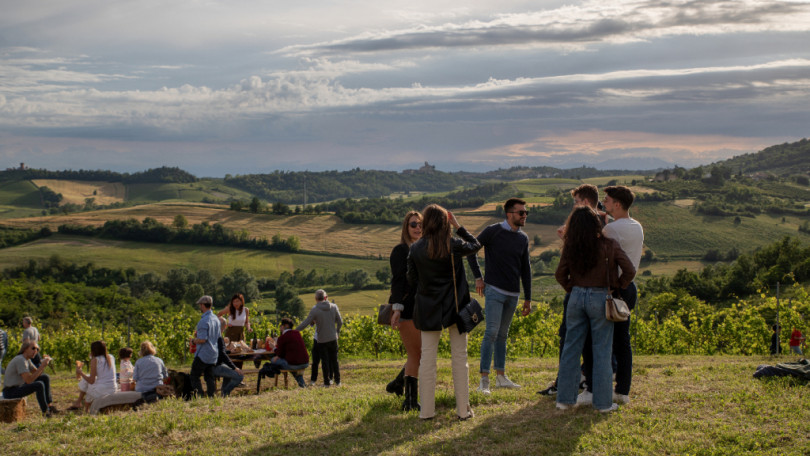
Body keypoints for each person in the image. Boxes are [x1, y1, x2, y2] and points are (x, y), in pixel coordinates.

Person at [554, 206, 635, 413]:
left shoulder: (571, 247)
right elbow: (630, 270)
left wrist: (572, 289)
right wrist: (618, 285)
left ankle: (564, 400)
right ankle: (603, 403)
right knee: (602, 351)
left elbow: (560, 274)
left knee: (571, 350)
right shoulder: (609, 245)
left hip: (576, 297)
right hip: (601, 297)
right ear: (596, 223)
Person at [408, 204, 482, 420]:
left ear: (425, 223)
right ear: (444, 222)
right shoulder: (454, 244)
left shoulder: (415, 249)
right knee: (460, 358)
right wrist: (458, 226)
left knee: (427, 360)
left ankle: (427, 412)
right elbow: (476, 245)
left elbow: (411, 280)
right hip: (455, 308)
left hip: (427, 309)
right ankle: (462, 410)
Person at [579, 185, 644, 406]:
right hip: (630, 287)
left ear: (617, 204)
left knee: (596, 339)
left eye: (606, 200)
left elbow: (592, 246)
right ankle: (623, 390)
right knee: (622, 342)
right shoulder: (637, 226)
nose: (603, 203)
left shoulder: (613, 230)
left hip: (613, 289)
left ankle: (593, 388)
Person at [540, 184, 601, 396]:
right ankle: (587, 384)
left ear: (584, 202)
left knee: (568, 339)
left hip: (578, 292)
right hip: (597, 294)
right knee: (592, 342)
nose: (573, 206)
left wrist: (572, 289)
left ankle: (566, 384)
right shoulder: (599, 222)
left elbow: (564, 270)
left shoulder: (590, 222)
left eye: (576, 202)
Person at [467, 198, 532, 393]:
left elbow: (525, 270)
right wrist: (479, 277)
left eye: (525, 213)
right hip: (494, 290)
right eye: (521, 213)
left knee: (503, 336)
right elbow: (471, 252)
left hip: (513, 294)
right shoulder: (492, 231)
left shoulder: (523, 238)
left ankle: (501, 377)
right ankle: (484, 380)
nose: (524, 216)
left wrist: (528, 298)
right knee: (491, 333)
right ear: (509, 214)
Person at [386, 210, 423, 410]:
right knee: (414, 354)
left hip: (426, 309)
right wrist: (397, 309)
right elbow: (398, 282)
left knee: (422, 354)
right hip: (407, 308)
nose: (418, 228)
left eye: (421, 224)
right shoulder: (400, 251)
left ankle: (398, 384)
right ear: (406, 228)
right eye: (413, 224)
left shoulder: (427, 249)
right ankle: (409, 401)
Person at [296, 290, 343, 386]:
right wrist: (337, 332)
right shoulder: (334, 307)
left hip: (322, 339)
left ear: (316, 299)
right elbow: (340, 322)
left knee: (324, 361)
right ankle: (338, 382)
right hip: (333, 338)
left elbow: (306, 323)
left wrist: (294, 331)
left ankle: (326, 383)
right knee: (334, 360)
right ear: (325, 297)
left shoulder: (315, 309)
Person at [2, 341, 58, 417]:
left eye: (37, 349)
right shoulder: (21, 360)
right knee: (39, 385)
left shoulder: (26, 359)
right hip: (10, 391)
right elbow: (28, 380)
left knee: (45, 377)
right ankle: (46, 412)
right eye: (33, 348)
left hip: (17, 387)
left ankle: (49, 405)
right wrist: (42, 366)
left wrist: (43, 364)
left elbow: (37, 374)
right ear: (25, 349)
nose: (36, 351)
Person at [71, 340, 118, 412]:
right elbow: (99, 372)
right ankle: (78, 402)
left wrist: (80, 372)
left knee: (89, 383)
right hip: (113, 387)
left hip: (102, 390)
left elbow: (91, 380)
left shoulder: (95, 360)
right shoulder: (111, 357)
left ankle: (86, 408)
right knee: (87, 377)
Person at [190, 295, 221, 398]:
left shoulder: (203, 321)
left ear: (203, 305)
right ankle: (211, 396)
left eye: (200, 305)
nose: (200, 307)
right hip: (213, 353)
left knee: (194, 375)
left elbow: (203, 340)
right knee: (209, 377)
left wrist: (194, 340)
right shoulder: (216, 319)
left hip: (204, 353)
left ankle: (199, 396)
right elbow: (217, 336)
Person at [267, 317, 309, 388]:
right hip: (305, 362)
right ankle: (302, 386)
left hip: (294, 364)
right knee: (293, 369)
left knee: (272, 360)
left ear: (284, 326)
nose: (280, 327)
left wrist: (273, 347)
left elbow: (280, 354)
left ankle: (271, 374)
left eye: (281, 325)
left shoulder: (282, 337)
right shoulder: (297, 333)